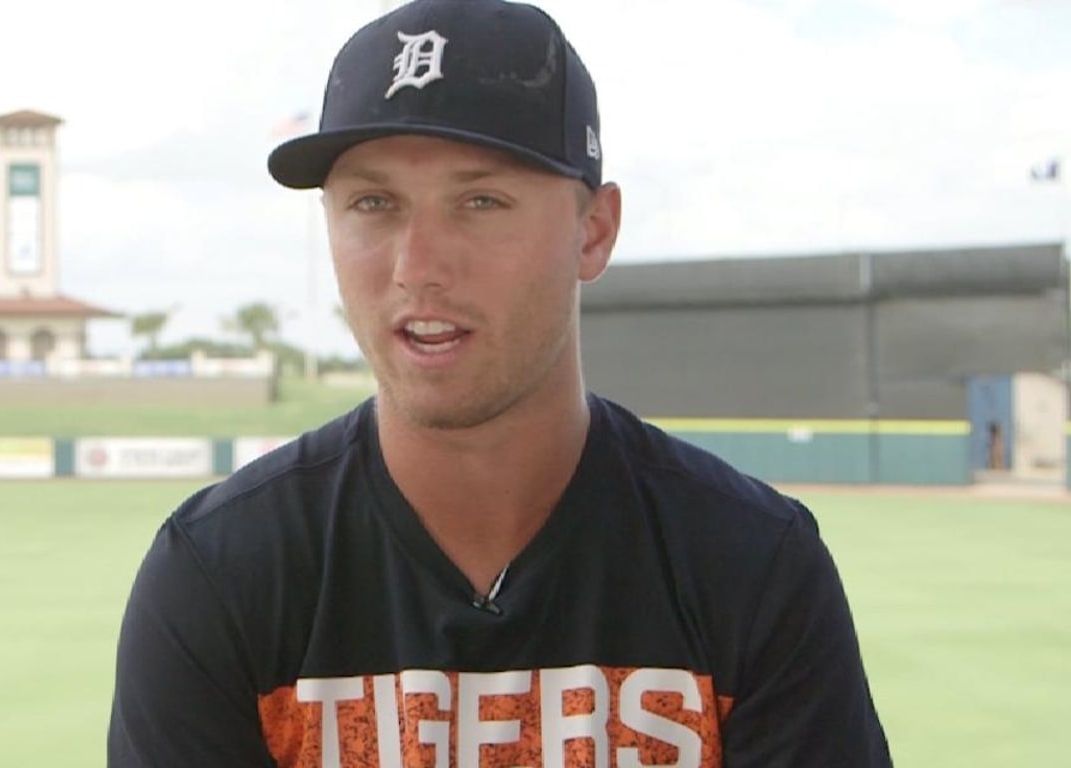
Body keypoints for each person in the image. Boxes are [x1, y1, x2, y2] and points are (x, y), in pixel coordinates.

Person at [108, 0, 892, 765]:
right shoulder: (221, 572)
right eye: (373, 203)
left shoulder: (750, 565)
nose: (417, 267)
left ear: (594, 231)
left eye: (480, 201)